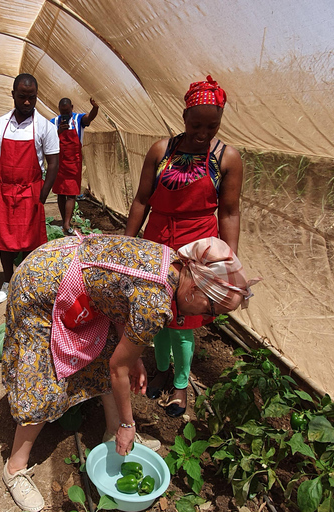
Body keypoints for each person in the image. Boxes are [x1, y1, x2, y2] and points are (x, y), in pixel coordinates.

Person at [1, 235, 257, 512]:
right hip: (40, 287)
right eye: (212, 310)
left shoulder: (174, 265)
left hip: (61, 265)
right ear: (194, 290)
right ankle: (14, 468)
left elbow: (123, 300)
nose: (209, 319)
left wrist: (132, 357)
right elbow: (118, 368)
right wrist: (128, 423)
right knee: (44, 377)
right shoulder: (156, 303)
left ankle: (112, 431)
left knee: (107, 348)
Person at [123, 75, 243, 417]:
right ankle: (160, 368)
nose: (203, 132)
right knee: (155, 316)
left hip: (198, 248)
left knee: (185, 322)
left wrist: (226, 260)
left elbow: (230, 211)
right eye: (196, 124)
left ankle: (180, 383)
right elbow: (142, 199)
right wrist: (127, 243)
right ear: (184, 116)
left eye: (212, 125)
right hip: (157, 243)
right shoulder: (162, 150)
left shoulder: (226, 158)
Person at [0, 73, 60, 305]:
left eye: (32, 97)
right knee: (4, 241)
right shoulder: (0, 124)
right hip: (5, 189)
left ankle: (27, 282)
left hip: (30, 190)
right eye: (22, 97)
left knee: (30, 241)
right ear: (13, 95)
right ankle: (8, 282)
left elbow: (53, 163)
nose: (27, 102)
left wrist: (42, 194)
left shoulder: (44, 127)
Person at [50, 97, 99, 235]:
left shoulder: (78, 119)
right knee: (60, 193)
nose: (65, 115)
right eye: (62, 112)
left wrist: (95, 108)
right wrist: (58, 131)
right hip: (59, 163)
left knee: (71, 194)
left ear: (72, 107)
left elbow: (89, 118)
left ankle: (66, 222)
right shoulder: (54, 122)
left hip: (73, 163)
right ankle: (64, 220)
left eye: (67, 111)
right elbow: (48, 139)